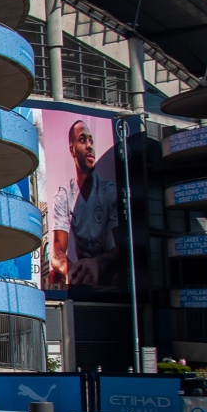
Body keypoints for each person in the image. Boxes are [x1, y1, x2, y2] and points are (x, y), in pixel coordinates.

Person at [46, 118, 122, 291]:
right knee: (54, 274)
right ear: (72, 150)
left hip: (105, 268)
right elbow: (57, 250)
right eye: (82, 140)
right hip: (81, 273)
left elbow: (122, 247)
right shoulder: (64, 195)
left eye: (91, 141)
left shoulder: (108, 191)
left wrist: (97, 263)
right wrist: (72, 270)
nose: (89, 146)